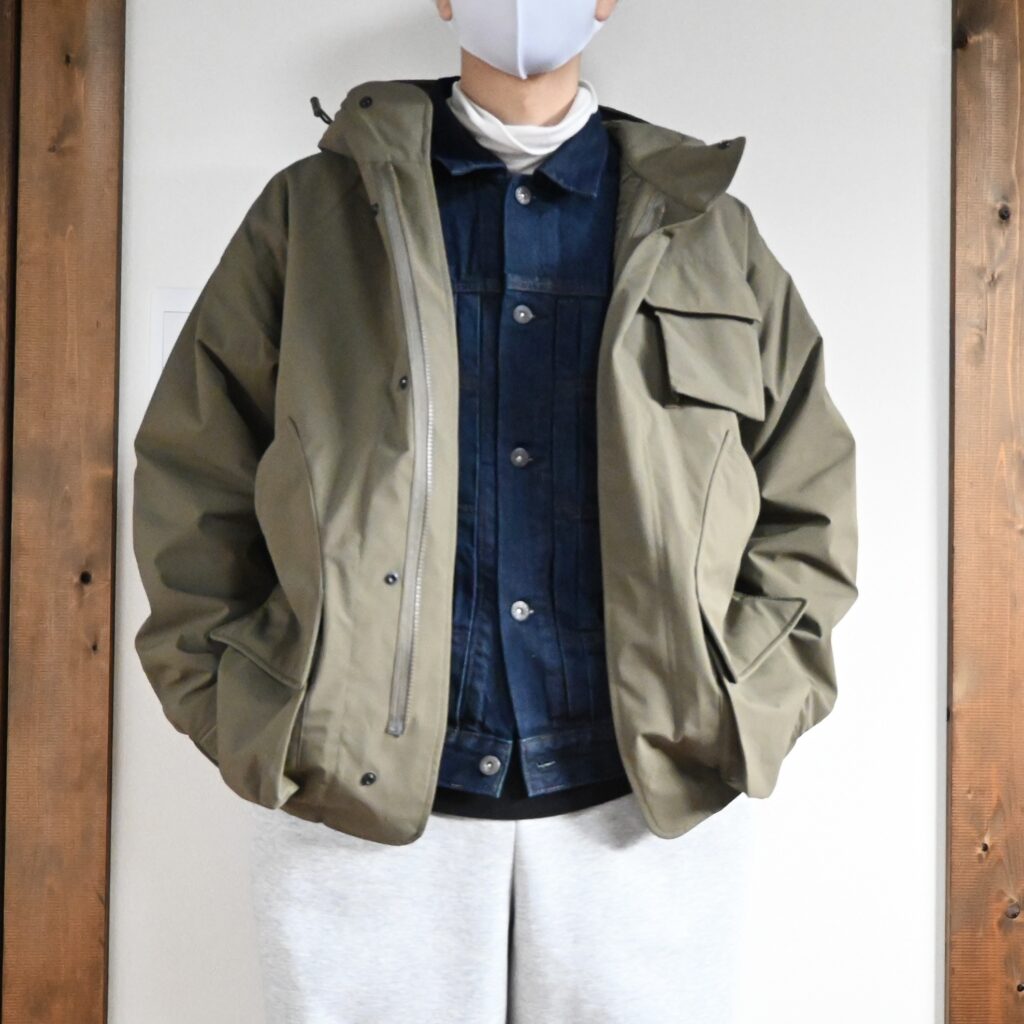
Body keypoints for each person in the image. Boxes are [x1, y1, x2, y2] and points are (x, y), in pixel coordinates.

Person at [131, 0, 859, 1019]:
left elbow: (804, 494)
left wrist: (748, 699)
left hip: (647, 802)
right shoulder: (313, 214)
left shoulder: (705, 229)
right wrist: (246, 708)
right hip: (356, 804)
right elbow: (195, 470)